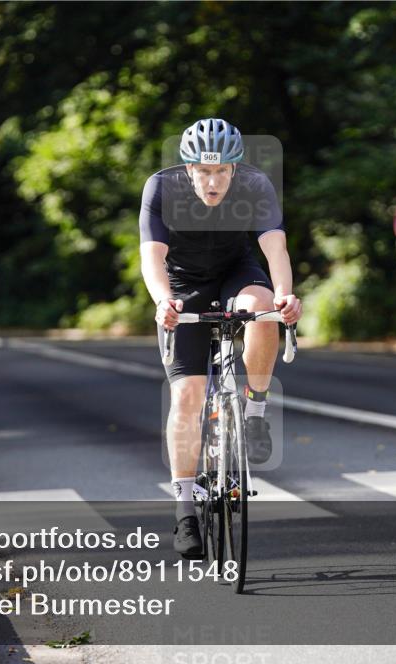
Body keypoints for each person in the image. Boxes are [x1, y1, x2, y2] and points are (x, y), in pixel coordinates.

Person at [139, 118, 302, 557]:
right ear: (188, 168)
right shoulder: (161, 189)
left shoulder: (254, 185)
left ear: (236, 169)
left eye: (223, 171)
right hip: (182, 286)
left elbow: (275, 247)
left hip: (236, 273)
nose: (214, 182)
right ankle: (185, 508)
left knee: (263, 312)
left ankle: (255, 409)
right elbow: (151, 256)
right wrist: (163, 301)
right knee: (188, 397)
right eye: (204, 171)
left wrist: (285, 293)